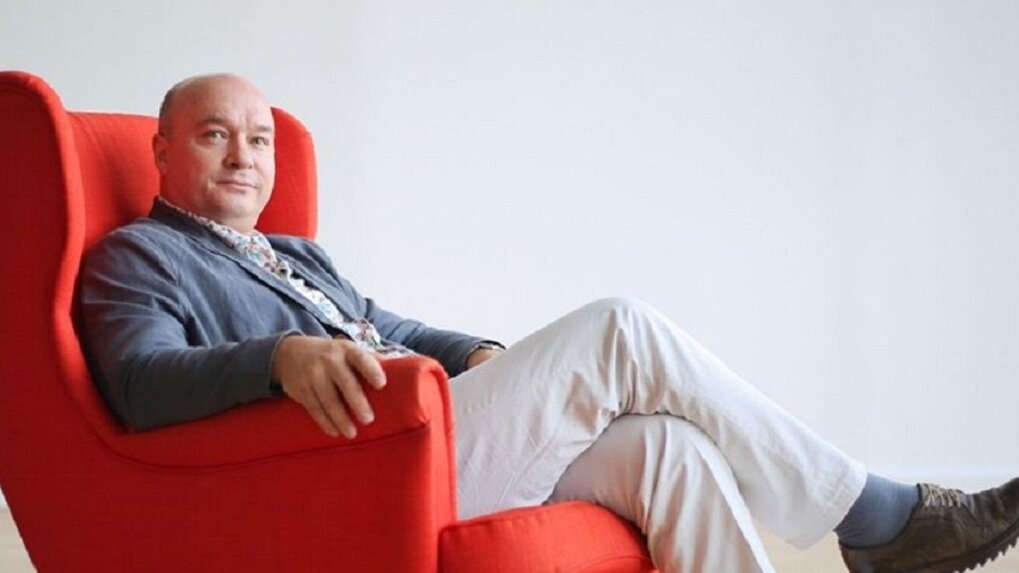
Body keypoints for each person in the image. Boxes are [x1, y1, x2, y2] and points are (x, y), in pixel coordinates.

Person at [80, 73, 1019, 573]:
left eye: (259, 138)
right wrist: (278, 357)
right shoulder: (138, 255)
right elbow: (138, 382)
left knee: (667, 447)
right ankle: (879, 518)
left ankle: (877, 525)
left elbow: (381, 322)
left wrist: (476, 353)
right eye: (215, 134)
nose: (244, 156)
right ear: (161, 149)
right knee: (620, 328)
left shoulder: (296, 253)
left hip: (429, 430)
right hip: (364, 470)